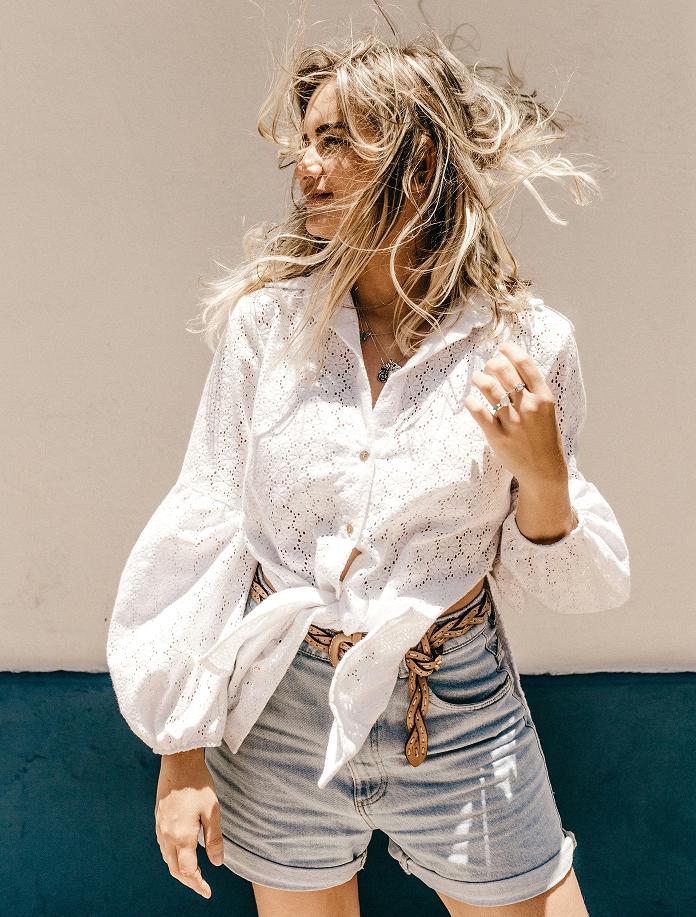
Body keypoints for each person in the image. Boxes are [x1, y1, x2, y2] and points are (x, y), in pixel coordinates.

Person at [106, 26, 630, 917]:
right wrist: (180, 748)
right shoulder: (267, 330)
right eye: (305, 142)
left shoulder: (528, 344)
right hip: (283, 706)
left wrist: (542, 481)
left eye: (337, 139)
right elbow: (208, 520)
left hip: (456, 703)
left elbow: (573, 584)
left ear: (419, 164)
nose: (306, 165)